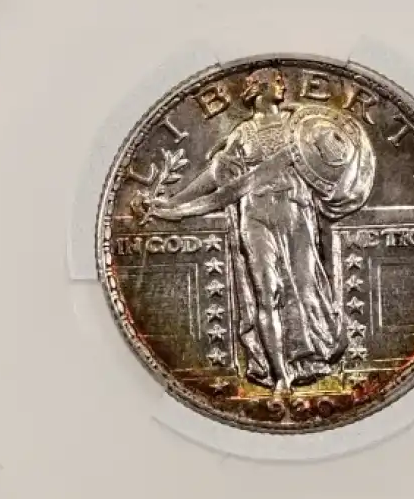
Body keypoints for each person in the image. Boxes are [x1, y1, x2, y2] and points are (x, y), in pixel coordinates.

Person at [149, 69, 375, 392]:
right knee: (267, 295)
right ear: (258, 89)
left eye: (282, 80)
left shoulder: (299, 125)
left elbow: (337, 159)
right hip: (256, 218)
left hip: (296, 213)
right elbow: (214, 177)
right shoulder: (243, 134)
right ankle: (280, 375)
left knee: (306, 290)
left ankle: (308, 359)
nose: (283, 84)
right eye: (276, 81)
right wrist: (174, 204)